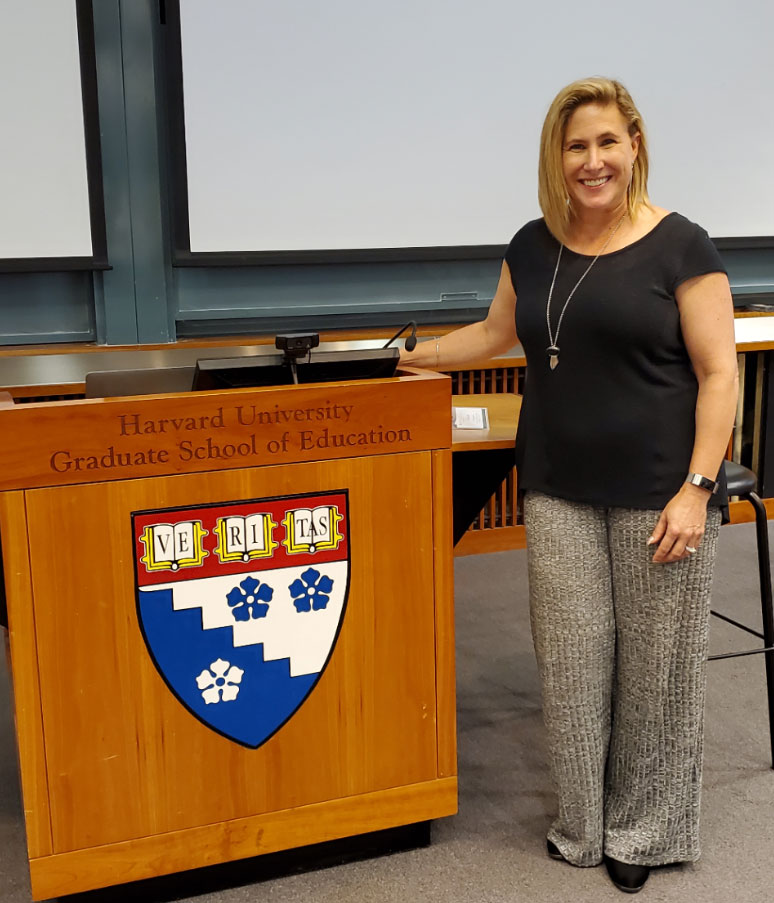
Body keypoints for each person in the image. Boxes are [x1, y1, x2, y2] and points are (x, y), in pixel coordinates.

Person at [400, 76, 738, 894]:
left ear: (635, 146)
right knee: (573, 663)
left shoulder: (682, 245)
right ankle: (584, 822)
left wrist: (698, 486)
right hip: (555, 488)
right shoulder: (531, 243)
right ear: (558, 155)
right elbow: (492, 332)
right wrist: (410, 357)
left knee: (657, 669)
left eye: (607, 142)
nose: (593, 161)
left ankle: (646, 830)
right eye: (576, 145)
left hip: (662, 490)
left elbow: (721, 372)